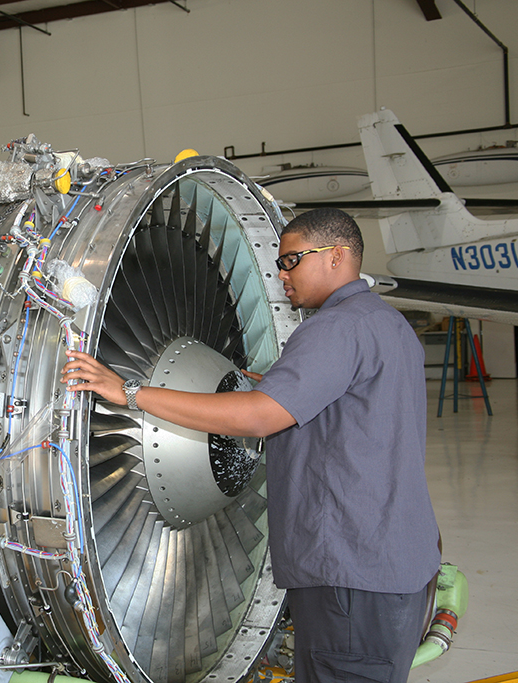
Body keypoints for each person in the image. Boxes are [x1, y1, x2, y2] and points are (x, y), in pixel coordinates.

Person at [62, 208, 440, 683]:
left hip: (350, 575)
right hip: (395, 563)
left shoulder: (334, 329)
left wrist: (130, 393)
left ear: (337, 256)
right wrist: (283, 384)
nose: (282, 275)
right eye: (280, 263)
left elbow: (259, 418)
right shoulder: (387, 324)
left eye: (292, 260)